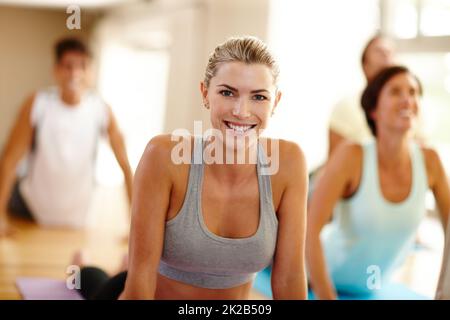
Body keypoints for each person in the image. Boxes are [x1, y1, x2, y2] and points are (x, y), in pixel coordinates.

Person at [75, 36, 308, 300]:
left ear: (275, 102)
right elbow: (140, 282)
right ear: (205, 93)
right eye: (227, 93)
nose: (242, 111)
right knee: (94, 281)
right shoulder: (164, 156)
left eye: (258, 97)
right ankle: (86, 265)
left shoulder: (289, 163)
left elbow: (289, 278)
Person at [307, 66, 450, 299]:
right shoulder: (352, 155)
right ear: (373, 109)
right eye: (395, 92)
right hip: (317, 277)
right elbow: (310, 230)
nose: (407, 99)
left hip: (370, 286)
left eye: (413, 92)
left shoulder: (430, 160)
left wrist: (443, 292)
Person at [0, 37, 133, 236]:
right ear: (55, 70)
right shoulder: (37, 104)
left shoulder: (101, 110)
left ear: (92, 72)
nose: (75, 73)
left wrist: (134, 224)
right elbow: (10, 161)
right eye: (68, 66)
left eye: (82, 66)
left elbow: (125, 166)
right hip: (31, 209)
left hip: (78, 216)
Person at [328, 34, 397, 156]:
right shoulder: (345, 107)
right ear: (365, 64)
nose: (386, 55)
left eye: (390, 52)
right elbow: (335, 161)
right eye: (379, 51)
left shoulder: (407, 108)